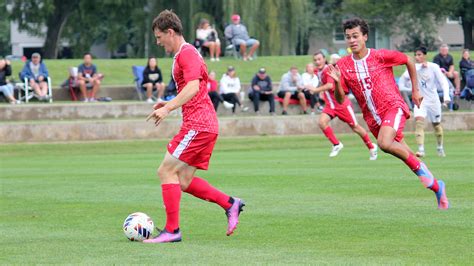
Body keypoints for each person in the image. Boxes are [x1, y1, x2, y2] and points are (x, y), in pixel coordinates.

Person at [327, 18, 449, 210]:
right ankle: (437, 187)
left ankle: (427, 179)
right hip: (373, 120)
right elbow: (341, 100)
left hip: (393, 107)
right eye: (348, 37)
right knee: (406, 155)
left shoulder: (381, 56)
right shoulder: (342, 66)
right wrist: (336, 82)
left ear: (365, 37)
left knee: (384, 143)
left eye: (355, 36)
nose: (351, 40)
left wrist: (416, 90)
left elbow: (408, 60)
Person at [144, 10, 244, 243]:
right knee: (184, 181)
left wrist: (168, 109)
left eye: (159, 37)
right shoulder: (185, 54)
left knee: (166, 171)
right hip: (204, 125)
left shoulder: (186, 53)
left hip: (198, 125)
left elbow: (192, 87)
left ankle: (172, 231)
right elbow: (192, 91)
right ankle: (231, 204)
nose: (158, 43)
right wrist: (168, 103)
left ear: (170, 32)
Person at [310, 51, 377, 159]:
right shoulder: (317, 71)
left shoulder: (329, 69)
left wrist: (315, 90)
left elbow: (329, 85)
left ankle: (371, 147)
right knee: (322, 123)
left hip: (341, 104)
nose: (317, 62)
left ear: (324, 59)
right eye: (315, 60)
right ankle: (336, 144)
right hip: (330, 105)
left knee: (355, 127)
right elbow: (322, 83)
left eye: (319, 59)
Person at [399, 47, 450, 158]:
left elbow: (443, 82)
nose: (417, 57)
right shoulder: (413, 68)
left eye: (419, 55)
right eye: (415, 55)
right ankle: (421, 150)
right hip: (420, 101)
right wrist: (413, 90)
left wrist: (446, 96)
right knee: (419, 123)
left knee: (436, 125)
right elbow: (401, 83)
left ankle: (440, 147)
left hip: (433, 101)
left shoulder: (433, 67)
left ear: (425, 55)